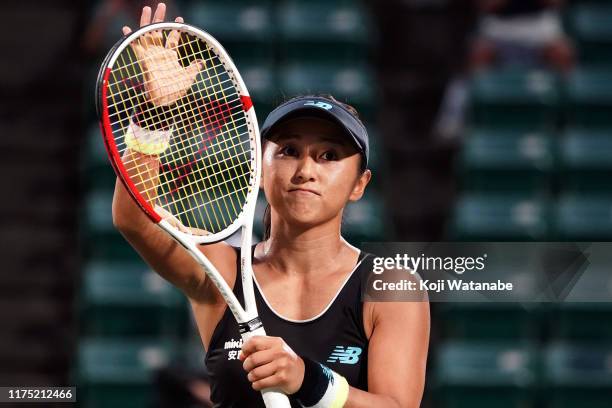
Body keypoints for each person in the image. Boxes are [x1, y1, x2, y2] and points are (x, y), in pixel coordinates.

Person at [112, 3, 429, 407]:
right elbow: (134, 220)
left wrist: (311, 382)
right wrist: (156, 113)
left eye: (329, 156)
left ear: (359, 185)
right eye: (289, 151)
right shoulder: (222, 272)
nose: (306, 169)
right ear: (261, 170)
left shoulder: (390, 288)